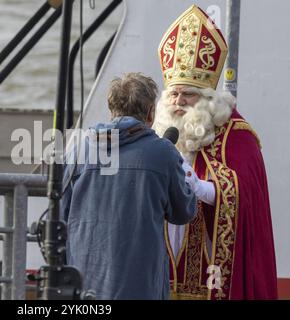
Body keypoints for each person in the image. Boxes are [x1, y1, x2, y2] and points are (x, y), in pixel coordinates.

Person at [154, 5, 278, 300]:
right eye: (173, 93)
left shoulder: (236, 134)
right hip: (162, 266)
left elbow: (246, 193)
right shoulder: (159, 132)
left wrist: (202, 188)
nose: (179, 101)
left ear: (208, 97)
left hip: (213, 271)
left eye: (189, 93)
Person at [60, 72, 197, 299]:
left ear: (111, 109)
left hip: (84, 280)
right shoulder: (163, 152)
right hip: (140, 281)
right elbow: (183, 212)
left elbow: (62, 214)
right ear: (151, 113)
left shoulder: (78, 149)